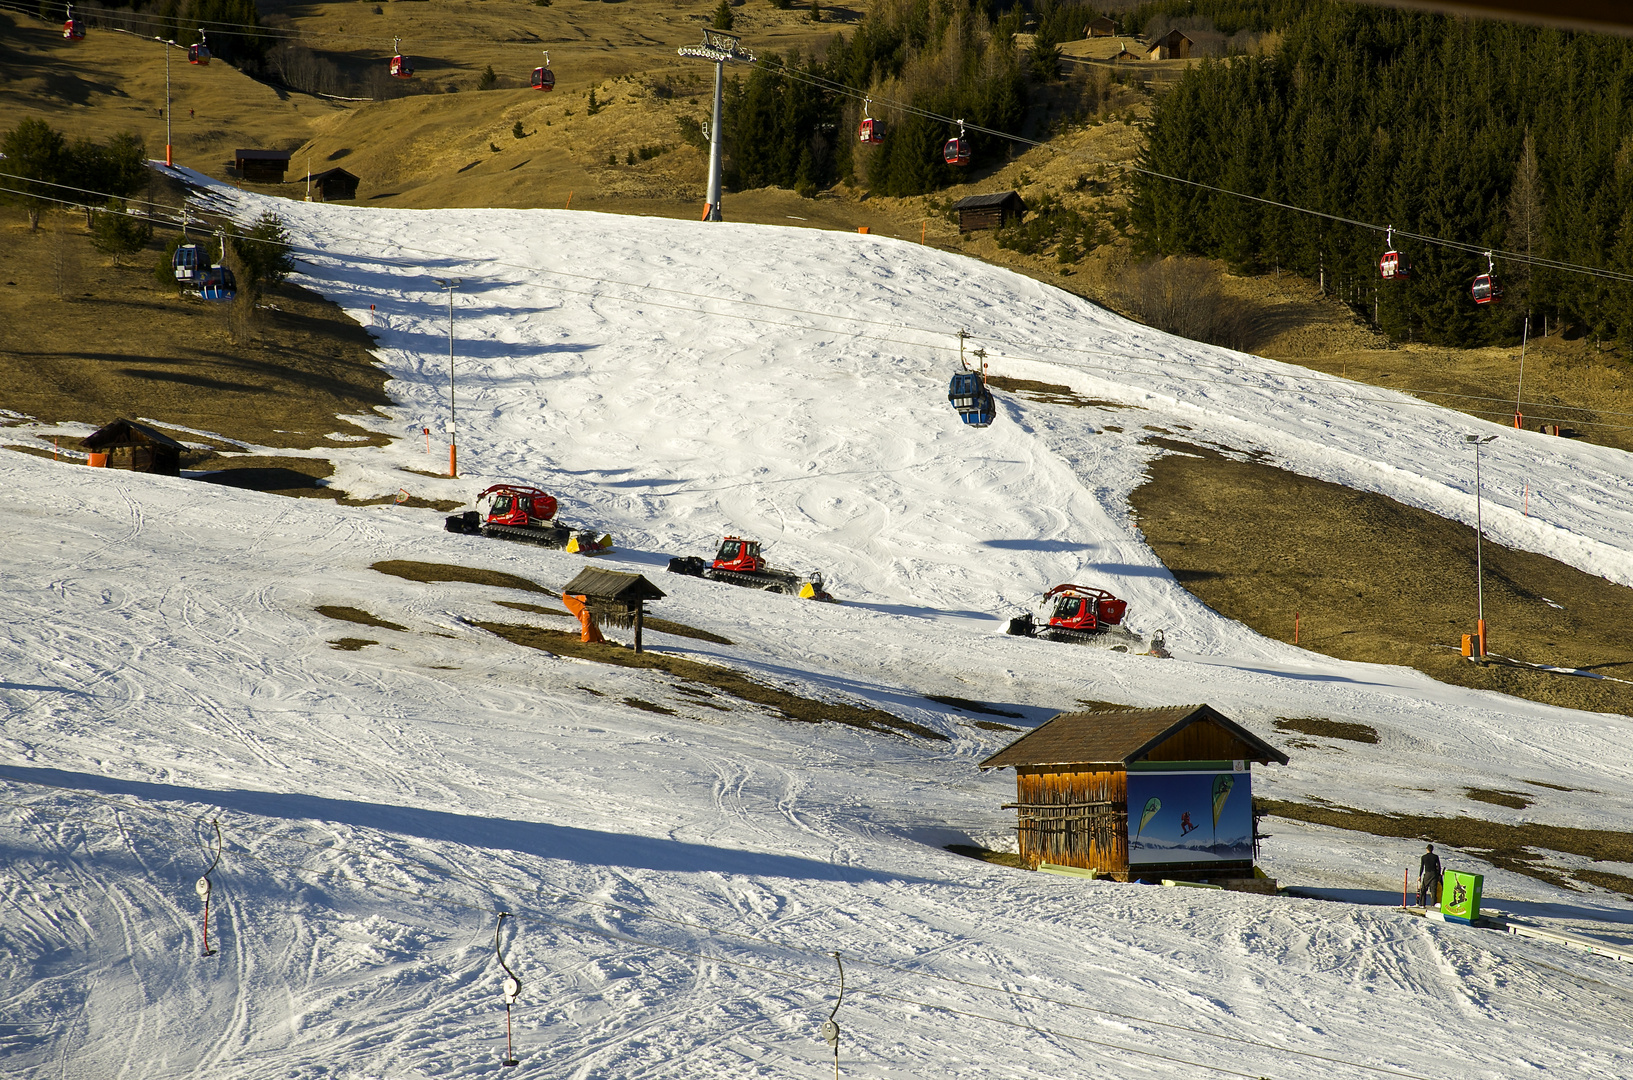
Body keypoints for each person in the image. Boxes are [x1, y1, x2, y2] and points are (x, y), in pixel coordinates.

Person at [1418, 843, 1443, 907]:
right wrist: (1438, 875)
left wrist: (1419, 876)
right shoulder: (1435, 857)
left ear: (1427, 849)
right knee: (1433, 891)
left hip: (1427, 874)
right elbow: (1439, 866)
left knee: (1423, 889)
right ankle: (1433, 905)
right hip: (1434, 874)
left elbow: (1422, 867)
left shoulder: (1424, 857)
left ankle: (1422, 904)